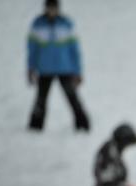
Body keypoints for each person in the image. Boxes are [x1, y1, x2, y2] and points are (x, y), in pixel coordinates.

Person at [27, 0, 90, 131]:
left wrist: (77, 71)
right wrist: (31, 68)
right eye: (49, 8)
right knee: (41, 99)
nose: (52, 11)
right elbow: (32, 49)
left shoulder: (66, 24)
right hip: (44, 69)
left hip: (64, 68)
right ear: (45, 8)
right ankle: (35, 126)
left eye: (54, 8)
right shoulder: (38, 24)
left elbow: (74, 50)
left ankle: (83, 125)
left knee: (72, 97)